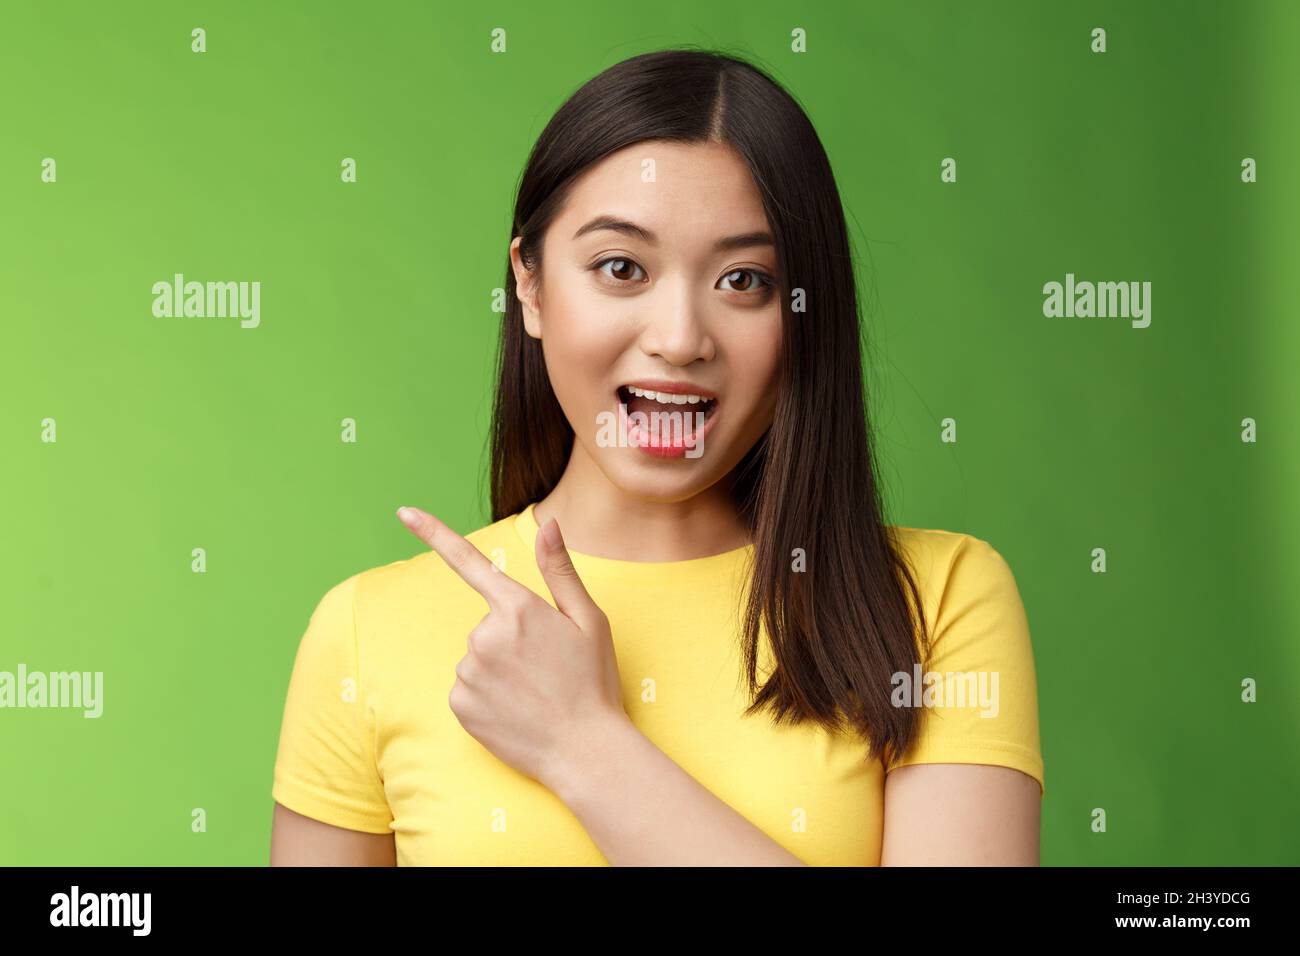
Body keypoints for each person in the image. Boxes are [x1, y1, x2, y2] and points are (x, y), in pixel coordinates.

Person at [269, 47, 1044, 866]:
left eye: (745, 280)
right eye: (620, 268)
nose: (679, 338)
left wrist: (586, 748)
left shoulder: (936, 604)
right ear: (529, 287)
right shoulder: (365, 632)